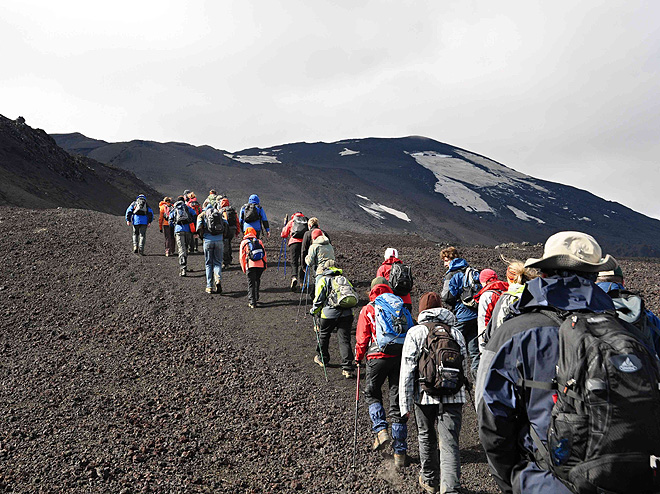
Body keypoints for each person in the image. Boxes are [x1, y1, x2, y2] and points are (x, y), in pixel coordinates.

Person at [477, 231, 618, 493]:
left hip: (546, 481)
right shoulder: (625, 331)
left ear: (543, 273)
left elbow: (491, 418)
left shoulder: (516, 332)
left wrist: (512, 480)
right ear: (594, 276)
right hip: (619, 478)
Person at [399, 292, 467, 494]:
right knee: (450, 441)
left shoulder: (416, 332)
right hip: (454, 394)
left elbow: (407, 370)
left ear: (422, 311)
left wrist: (405, 404)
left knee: (426, 436)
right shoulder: (456, 333)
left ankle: (429, 480)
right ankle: (451, 487)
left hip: (424, 394)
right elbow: (464, 364)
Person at [355, 278, 413, 468]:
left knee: (372, 393)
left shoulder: (370, 308)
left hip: (376, 357)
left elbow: (363, 337)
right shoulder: (401, 307)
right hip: (400, 356)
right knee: (397, 401)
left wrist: (358, 357)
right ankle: (400, 453)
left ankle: (381, 430)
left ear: (372, 290)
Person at [596, 265, 660, 357]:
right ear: (623, 282)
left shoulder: (583, 310)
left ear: (594, 281)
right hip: (640, 368)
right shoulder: (643, 313)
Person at [309, 265, 356, 378]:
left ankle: (322, 359)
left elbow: (319, 299)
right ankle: (347, 368)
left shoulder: (323, 280)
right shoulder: (344, 279)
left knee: (324, 335)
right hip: (347, 314)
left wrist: (314, 311)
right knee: (344, 339)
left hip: (329, 315)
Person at [441, 247, 480, 378]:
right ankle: (478, 382)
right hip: (475, 315)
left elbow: (447, 296)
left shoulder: (451, 274)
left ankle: (453, 379)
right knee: (474, 351)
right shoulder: (469, 270)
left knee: (452, 347)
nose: (445, 264)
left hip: (462, 316)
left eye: (446, 260)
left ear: (451, 259)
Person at [474, 269, 508, 361]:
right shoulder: (507, 292)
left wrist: (482, 348)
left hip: (492, 340)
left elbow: (484, 321)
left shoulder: (487, 296)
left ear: (486, 281)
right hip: (507, 336)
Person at [196, 203, 228, 294]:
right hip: (219, 240)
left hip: (207, 240)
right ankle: (217, 279)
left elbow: (198, 227)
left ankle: (209, 286)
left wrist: (202, 237)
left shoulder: (202, 215)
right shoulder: (219, 214)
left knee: (209, 263)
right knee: (218, 262)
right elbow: (226, 224)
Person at [168, 196, 198, 277]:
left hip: (178, 230)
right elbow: (195, 215)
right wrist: (193, 224)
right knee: (186, 248)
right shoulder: (187, 208)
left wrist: (173, 228)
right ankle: (185, 265)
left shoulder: (174, 209)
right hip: (188, 230)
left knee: (181, 249)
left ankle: (183, 269)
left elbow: (170, 220)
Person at [377, 247, 413, 312]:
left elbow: (378, 286)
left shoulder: (383, 268)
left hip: (391, 302)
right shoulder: (404, 268)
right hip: (406, 301)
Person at [239, 227, 267, 308]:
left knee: (251, 283)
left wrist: (244, 268)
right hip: (260, 265)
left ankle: (252, 302)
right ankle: (256, 297)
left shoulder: (244, 243)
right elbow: (264, 254)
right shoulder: (259, 241)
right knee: (257, 280)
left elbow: (242, 257)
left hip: (250, 265)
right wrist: (265, 265)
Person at [281, 212, 307, 291]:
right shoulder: (306, 221)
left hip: (294, 243)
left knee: (294, 262)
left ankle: (294, 277)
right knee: (303, 262)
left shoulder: (292, 222)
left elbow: (283, 234)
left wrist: (285, 225)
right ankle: (302, 282)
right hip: (304, 243)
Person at [218, 197, 240, 268]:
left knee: (225, 245)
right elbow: (237, 221)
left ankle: (226, 262)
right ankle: (230, 259)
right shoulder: (232, 210)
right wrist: (237, 231)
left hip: (226, 230)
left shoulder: (221, 211)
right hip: (233, 229)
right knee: (229, 243)